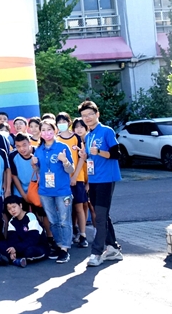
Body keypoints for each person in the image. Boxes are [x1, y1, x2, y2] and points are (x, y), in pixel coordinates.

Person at [78, 100, 123, 267]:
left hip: (107, 179)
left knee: (100, 216)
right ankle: (113, 248)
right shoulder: (88, 136)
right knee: (101, 215)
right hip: (94, 179)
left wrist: (99, 151)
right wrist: (85, 156)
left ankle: (96, 252)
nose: (87, 118)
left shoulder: (106, 131)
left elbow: (116, 154)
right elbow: (91, 159)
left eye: (90, 114)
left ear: (97, 114)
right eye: (84, 115)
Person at [31, 119, 74, 264]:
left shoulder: (62, 147)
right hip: (45, 191)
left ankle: (65, 249)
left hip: (62, 191)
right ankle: (59, 244)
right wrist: (34, 165)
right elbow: (39, 171)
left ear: (55, 130)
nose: (46, 132)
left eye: (49, 129)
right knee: (53, 220)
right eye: (43, 130)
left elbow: (71, 170)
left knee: (64, 220)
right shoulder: (39, 149)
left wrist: (65, 161)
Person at [55, 112, 88, 248]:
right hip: (62, 181)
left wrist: (74, 176)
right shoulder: (56, 139)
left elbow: (82, 158)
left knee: (79, 207)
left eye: (64, 121)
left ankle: (83, 235)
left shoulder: (76, 138)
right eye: (59, 122)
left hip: (77, 178)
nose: (62, 124)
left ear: (69, 123)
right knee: (64, 209)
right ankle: (68, 235)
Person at [0, 196, 50, 267]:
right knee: (1, 244)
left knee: (29, 251)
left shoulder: (31, 217)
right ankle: (17, 259)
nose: (12, 210)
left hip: (37, 245)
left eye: (14, 207)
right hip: (21, 246)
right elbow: (12, 239)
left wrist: (16, 248)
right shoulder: (12, 221)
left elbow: (33, 240)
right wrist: (13, 249)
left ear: (20, 205)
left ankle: (13, 259)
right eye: (9, 209)